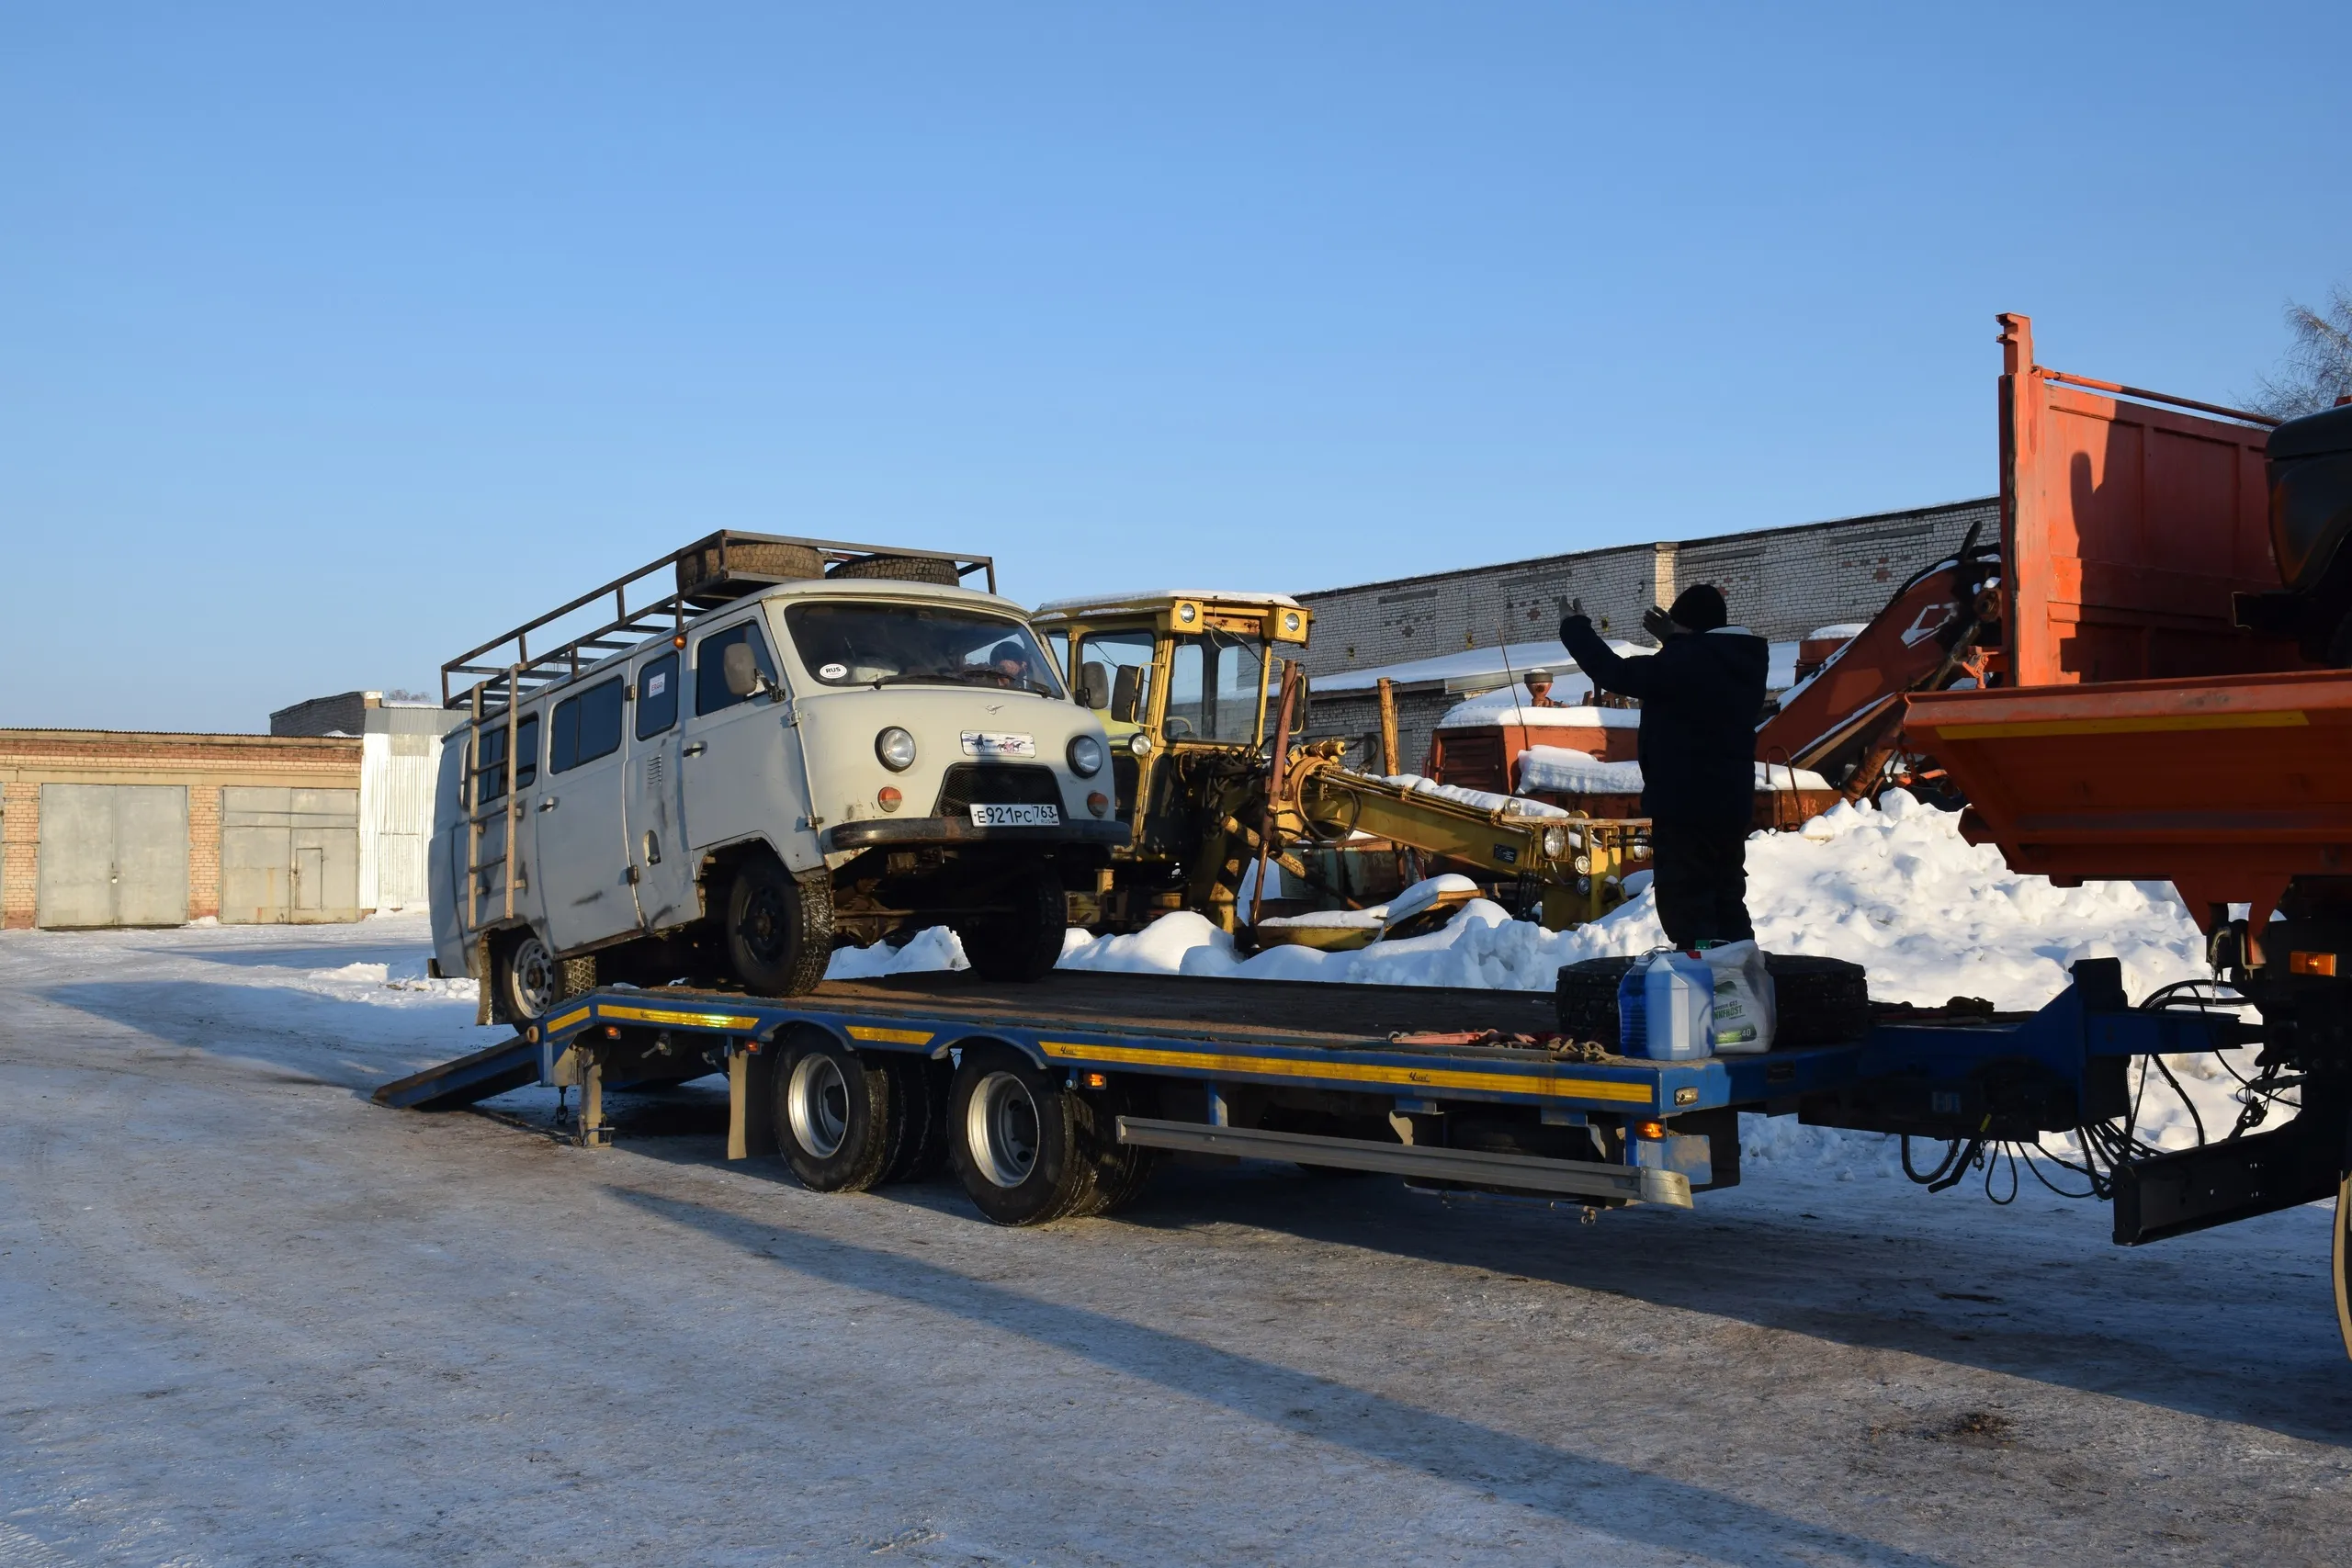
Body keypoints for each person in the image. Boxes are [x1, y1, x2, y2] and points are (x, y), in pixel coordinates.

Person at [1559, 584, 1768, 948]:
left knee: (1688, 904)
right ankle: (1740, 984)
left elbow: (1614, 673)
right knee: (1726, 896)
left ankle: (1704, 985)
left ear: (1688, 627)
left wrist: (1575, 628)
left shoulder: (1686, 662)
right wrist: (1675, 641)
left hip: (1686, 804)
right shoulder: (1742, 660)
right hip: (1731, 803)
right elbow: (1695, 675)